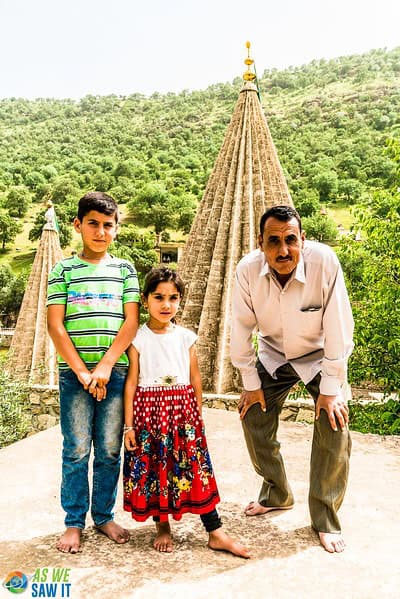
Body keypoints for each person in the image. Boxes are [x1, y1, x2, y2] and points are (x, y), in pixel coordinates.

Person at [230, 205, 353, 554]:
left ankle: (325, 518)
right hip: (274, 352)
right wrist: (250, 383)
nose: (283, 251)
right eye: (274, 242)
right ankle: (277, 492)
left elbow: (339, 330)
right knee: (252, 417)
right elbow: (240, 327)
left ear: (303, 240)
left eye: (290, 240)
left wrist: (330, 392)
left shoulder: (324, 263)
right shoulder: (247, 270)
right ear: (260, 244)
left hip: (320, 354)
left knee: (334, 425)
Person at [123, 267, 250, 558]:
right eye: (159, 297)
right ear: (145, 300)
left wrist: (198, 415)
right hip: (149, 413)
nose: (166, 305)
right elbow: (131, 383)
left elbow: (194, 378)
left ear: (180, 301)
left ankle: (215, 531)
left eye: (173, 298)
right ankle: (162, 526)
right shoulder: (138, 338)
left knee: (195, 469)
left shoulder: (185, 337)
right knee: (157, 469)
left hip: (183, 414)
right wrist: (129, 427)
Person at [47, 191, 140, 553]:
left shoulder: (124, 270)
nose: (101, 232)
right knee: (76, 450)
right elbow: (57, 327)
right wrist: (84, 372)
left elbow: (130, 322)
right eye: (93, 224)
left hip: (114, 373)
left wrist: (103, 367)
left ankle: (103, 516)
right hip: (75, 376)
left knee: (109, 451)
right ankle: (74, 522)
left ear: (116, 229)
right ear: (78, 225)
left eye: (108, 226)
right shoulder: (63, 270)